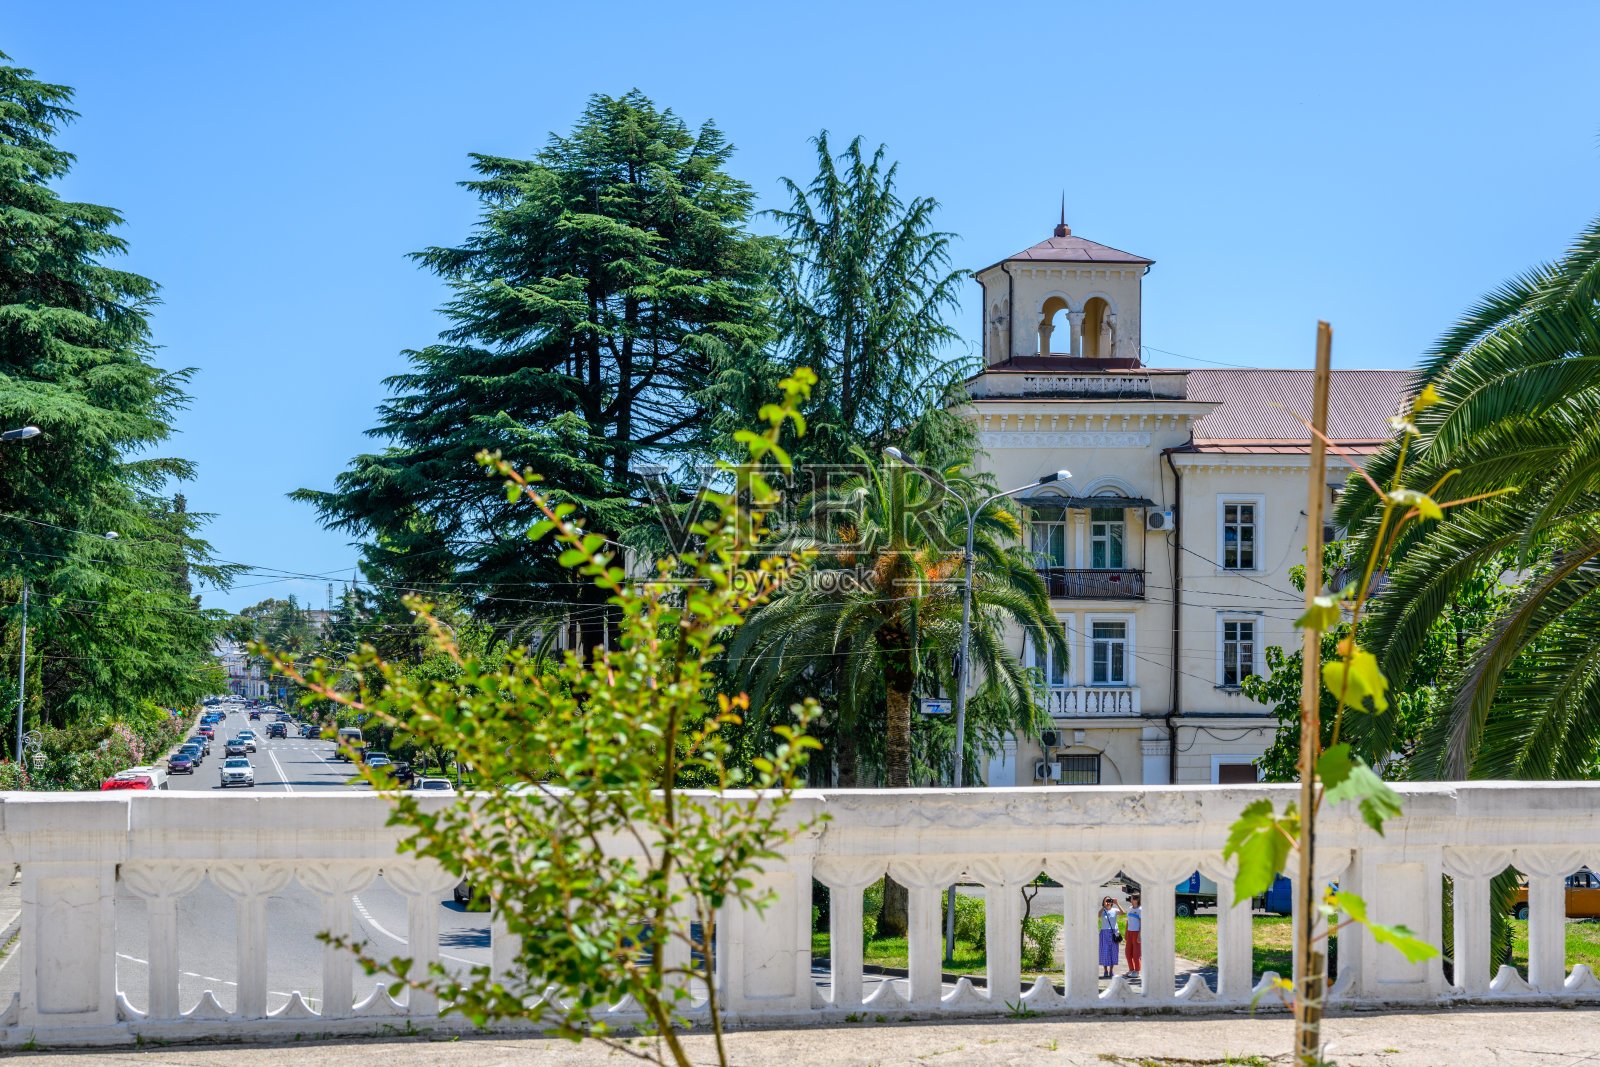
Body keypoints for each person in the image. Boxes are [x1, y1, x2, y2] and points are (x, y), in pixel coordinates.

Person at [1098, 895, 1122, 979]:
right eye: (1106, 901)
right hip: (1104, 932)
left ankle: (1111, 970)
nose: (1108, 902)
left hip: (1114, 932)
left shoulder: (1114, 910)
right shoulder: (1103, 911)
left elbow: (1123, 913)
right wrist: (1103, 906)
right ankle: (1105, 970)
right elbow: (1098, 915)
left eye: (1109, 901)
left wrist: (1116, 903)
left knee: (1113, 951)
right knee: (1104, 952)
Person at [1124, 892, 1142, 979]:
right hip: (1130, 932)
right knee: (1128, 952)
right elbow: (1128, 921)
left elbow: (1142, 923)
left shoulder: (1140, 910)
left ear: (1137, 900)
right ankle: (1131, 969)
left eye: (1132, 899)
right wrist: (1126, 932)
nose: (1130, 900)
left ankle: (1137, 971)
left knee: (1136, 953)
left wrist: (1140, 934)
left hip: (1136, 933)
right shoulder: (1130, 908)